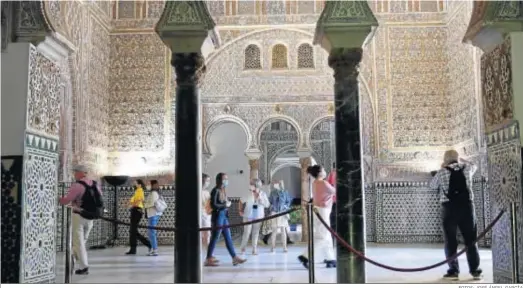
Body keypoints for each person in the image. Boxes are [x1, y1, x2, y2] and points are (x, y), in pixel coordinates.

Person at [430, 150, 482, 280]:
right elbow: (475, 165)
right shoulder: (468, 168)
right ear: (457, 159)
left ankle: (453, 270)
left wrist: (441, 168)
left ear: (445, 159)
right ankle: (474, 270)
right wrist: (463, 160)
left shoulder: (442, 172)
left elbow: (432, 186)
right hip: (467, 208)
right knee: (471, 239)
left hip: (449, 209)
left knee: (450, 241)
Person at [59, 164, 103, 275]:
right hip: (91, 217)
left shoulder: (77, 185)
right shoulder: (95, 184)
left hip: (79, 216)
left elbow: (66, 200)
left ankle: (84, 267)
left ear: (79, 173)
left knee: (79, 243)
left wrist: (57, 198)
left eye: (75, 172)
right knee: (82, 242)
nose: (74, 174)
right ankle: (73, 258)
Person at [298, 165, 336, 269]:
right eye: (323, 170)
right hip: (323, 212)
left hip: (319, 211)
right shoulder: (323, 183)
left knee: (326, 236)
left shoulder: (315, 183)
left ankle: (330, 259)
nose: (325, 171)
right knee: (322, 237)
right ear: (319, 173)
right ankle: (305, 256)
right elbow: (334, 191)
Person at [205, 173, 246, 266]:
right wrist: (225, 205)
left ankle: (234, 258)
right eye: (225, 179)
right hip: (218, 216)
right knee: (215, 238)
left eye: (227, 178)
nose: (226, 180)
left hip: (224, 216)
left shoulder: (223, 190)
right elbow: (213, 205)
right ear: (220, 180)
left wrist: (226, 204)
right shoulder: (215, 190)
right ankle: (208, 258)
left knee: (228, 237)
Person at [239, 178, 270, 255]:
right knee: (247, 232)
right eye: (250, 184)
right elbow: (240, 201)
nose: (250, 185)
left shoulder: (263, 194)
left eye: (252, 184)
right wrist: (240, 210)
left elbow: (267, 205)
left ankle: (254, 249)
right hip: (248, 215)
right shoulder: (248, 193)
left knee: (255, 233)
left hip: (258, 216)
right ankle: (243, 248)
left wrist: (261, 200)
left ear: (257, 185)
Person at [126, 179, 152, 255]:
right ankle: (134, 249)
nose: (134, 184)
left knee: (133, 231)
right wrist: (128, 203)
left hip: (137, 211)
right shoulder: (137, 191)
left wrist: (131, 204)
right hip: (135, 211)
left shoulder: (140, 191)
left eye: (135, 183)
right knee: (133, 231)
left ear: (139, 184)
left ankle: (146, 244)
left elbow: (139, 201)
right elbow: (134, 201)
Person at [268, 180, 292, 253]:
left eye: (277, 183)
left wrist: (285, 206)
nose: (275, 185)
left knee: (283, 230)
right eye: (275, 184)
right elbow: (270, 201)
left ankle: (284, 247)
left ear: (280, 184)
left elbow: (288, 201)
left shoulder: (285, 192)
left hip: (282, 213)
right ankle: (272, 247)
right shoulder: (272, 192)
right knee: (274, 231)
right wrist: (272, 207)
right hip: (274, 213)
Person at [144, 180, 162, 256]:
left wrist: (144, 204)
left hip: (153, 214)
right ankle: (153, 249)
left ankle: (154, 249)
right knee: (151, 232)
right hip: (153, 214)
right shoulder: (155, 193)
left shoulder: (154, 193)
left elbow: (152, 203)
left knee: (152, 233)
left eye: (150, 184)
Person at [201, 173, 212, 248]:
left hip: (206, 215)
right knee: (204, 235)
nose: (208, 183)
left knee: (207, 235)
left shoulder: (206, 192)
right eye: (207, 180)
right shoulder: (198, 191)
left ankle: (209, 254)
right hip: (202, 216)